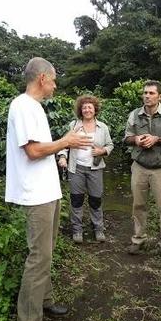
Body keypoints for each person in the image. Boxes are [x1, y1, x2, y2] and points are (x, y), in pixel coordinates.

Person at [5, 57, 93, 321]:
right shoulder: (22, 106)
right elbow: (32, 151)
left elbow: (44, 147)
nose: (55, 86)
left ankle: (45, 300)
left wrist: (64, 145)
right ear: (42, 78)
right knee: (38, 256)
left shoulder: (36, 108)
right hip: (35, 195)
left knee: (47, 252)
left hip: (47, 192)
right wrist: (65, 141)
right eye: (54, 80)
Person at [124, 80, 161, 262]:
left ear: (160, 96)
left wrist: (156, 139)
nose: (147, 96)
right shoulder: (135, 114)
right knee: (138, 206)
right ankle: (138, 239)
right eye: (145, 93)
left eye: (151, 93)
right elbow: (126, 138)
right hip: (139, 167)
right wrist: (137, 140)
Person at [57, 95, 114, 243]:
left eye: (90, 107)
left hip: (95, 168)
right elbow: (65, 144)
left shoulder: (103, 127)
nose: (87, 110)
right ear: (80, 110)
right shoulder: (74, 125)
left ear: (95, 110)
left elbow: (110, 145)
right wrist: (62, 157)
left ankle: (98, 229)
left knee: (96, 199)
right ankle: (77, 230)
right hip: (77, 168)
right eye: (84, 107)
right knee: (76, 199)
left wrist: (102, 151)